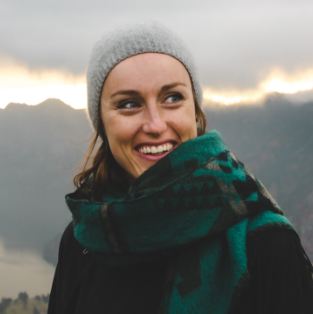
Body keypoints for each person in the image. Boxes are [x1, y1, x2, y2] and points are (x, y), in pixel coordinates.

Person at [48, 23, 313, 314]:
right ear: (102, 124)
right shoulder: (83, 239)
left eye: (172, 98)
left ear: (196, 111)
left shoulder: (265, 244)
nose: (155, 125)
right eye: (128, 104)